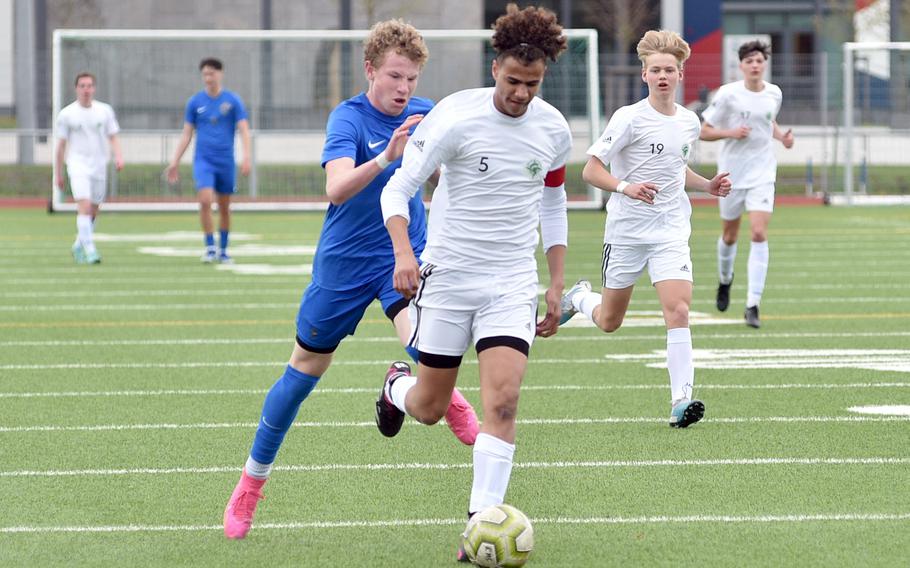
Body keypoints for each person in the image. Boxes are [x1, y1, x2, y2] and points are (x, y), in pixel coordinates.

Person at [222, 20, 479, 540]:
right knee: (303, 372)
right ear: (370, 70)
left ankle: (419, 394)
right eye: (394, 76)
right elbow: (337, 188)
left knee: (427, 339)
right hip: (343, 262)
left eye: (411, 78)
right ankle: (251, 483)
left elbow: (459, 165)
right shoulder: (349, 118)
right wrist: (387, 156)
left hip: (403, 249)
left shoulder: (428, 113)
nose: (403, 88)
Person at [374, 4, 571, 561]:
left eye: (532, 84)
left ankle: (478, 525)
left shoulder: (553, 130)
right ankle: (396, 386)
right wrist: (404, 253)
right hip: (450, 276)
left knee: (503, 403)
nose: (521, 94)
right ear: (494, 69)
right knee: (430, 408)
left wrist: (554, 283)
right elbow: (396, 190)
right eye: (513, 81)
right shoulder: (455, 119)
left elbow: (554, 203)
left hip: (511, 282)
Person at [559, 29, 731, 429]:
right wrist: (626, 187)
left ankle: (680, 402)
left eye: (669, 69)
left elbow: (676, 168)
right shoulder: (629, 118)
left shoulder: (689, 122)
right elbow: (591, 169)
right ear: (645, 76)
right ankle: (581, 298)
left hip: (671, 230)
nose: (663, 76)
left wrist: (706, 185)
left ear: (680, 74)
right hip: (626, 233)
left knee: (680, 311)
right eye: (655, 70)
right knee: (609, 321)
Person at [699, 40, 794, 328]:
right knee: (729, 235)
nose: (755, 65)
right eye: (749, 61)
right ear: (740, 66)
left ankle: (753, 304)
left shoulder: (774, 93)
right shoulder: (728, 95)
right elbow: (703, 131)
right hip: (731, 175)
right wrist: (731, 132)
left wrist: (782, 138)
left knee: (758, 232)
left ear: (765, 64)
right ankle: (725, 280)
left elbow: (770, 122)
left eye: (759, 61)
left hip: (763, 174)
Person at [166, 58, 251, 264]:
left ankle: (223, 249)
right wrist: (175, 161)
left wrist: (247, 156)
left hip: (225, 161)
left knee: (224, 207)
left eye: (211, 73)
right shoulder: (195, 102)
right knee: (204, 201)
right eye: (205, 74)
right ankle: (210, 246)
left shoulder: (232, 100)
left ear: (220, 74)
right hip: (204, 160)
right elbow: (187, 134)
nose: (208, 78)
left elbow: (243, 129)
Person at [55, 72, 124, 264]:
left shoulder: (104, 111)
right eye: (82, 86)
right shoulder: (67, 114)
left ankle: (78, 244)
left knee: (93, 210)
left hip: (99, 166)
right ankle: (90, 249)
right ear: (76, 88)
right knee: (84, 207)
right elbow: (60, 146)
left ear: (94, 88)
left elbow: (113, 136)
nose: (86, 89)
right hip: (77, 165)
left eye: (89, 85)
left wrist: (118, 156)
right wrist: (58, 173)